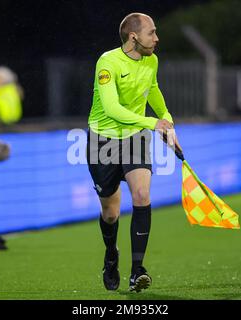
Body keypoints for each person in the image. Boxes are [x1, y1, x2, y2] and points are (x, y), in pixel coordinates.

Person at [86, 13, 181, 292]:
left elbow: (152, 90)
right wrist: (153, 123)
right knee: (111, 213)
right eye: (152, 33)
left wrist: (167, 120)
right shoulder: (107, 62)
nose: (157, 38)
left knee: (141, 195)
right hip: (102, 142)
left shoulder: (151, 60)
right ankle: (111, 255)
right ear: (133, 37)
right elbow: (113, 108)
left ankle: (137, 270)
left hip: (134, 138)